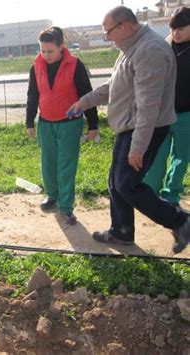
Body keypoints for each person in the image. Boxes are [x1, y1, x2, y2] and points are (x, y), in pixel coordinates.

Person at [68, 6, 190, 253]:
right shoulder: (131, 48)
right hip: (129, 126)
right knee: (116, 182)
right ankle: (121, 231)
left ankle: (181, 221)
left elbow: (148, 105)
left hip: (144, 128)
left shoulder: (150, 50)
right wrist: (85, 101)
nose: (106, 37)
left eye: (108, 31)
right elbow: (115, 85)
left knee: (127, 184)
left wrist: (138, 147)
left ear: (124, 26)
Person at [26, 26, 99, 225]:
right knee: (48, 163)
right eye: (42, 50)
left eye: (50, 51)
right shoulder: (36, 66)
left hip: (70, 124)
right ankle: (52, 196)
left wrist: (93, 124)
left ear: (61, 47)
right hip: (46, 123)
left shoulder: (75, 65)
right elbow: (32, 95)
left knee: (66, 166)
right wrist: (29, 121)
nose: (46, 55)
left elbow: (87, 95)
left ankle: (66, 207)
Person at [144, 7, 190, 208]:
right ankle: (149, 193)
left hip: (186, 114)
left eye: (181, 28)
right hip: (162, 114)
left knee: (181, 157)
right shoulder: (164, 47)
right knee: (155, 154)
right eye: (173, 28)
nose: (176, 32)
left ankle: (171, 196)